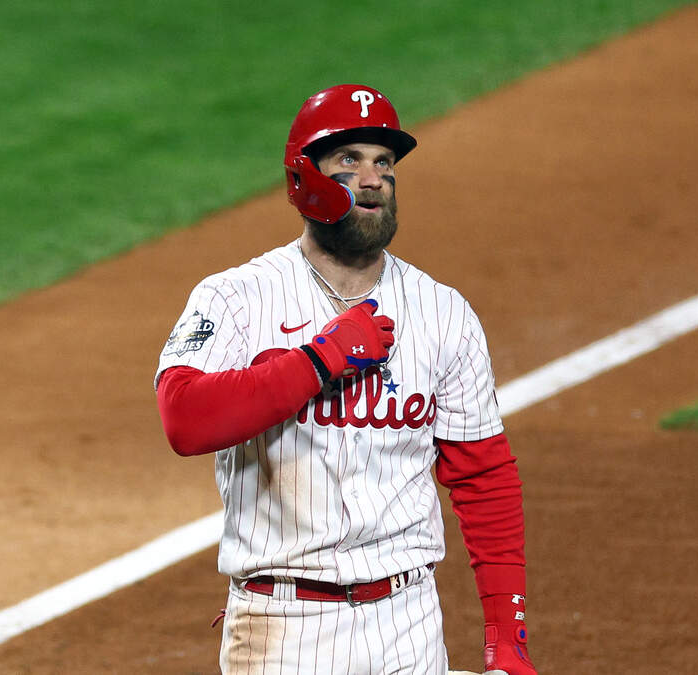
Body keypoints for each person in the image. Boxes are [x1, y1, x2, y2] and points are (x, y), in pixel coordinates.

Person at [154, 84, 535, 675]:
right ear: (305, 179)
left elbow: (483, 475)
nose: (373, 177)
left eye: (384, 162)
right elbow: (185, 418)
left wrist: (506, 637)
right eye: (349, 161)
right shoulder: (234, 298)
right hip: (283, 630)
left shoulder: (442, 311)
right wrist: (317, 362)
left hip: (409, 622)